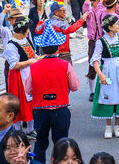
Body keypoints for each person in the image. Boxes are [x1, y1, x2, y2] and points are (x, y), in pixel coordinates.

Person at [25, 21, 80, 161]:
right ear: (58, 49)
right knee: (61, 144)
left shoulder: (34, 67)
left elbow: (28, 89)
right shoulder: (65, 65)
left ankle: (37, 163)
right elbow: (74, 86)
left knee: (40, 142)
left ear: (42, 49)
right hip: (60, 109)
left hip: (40, 110)